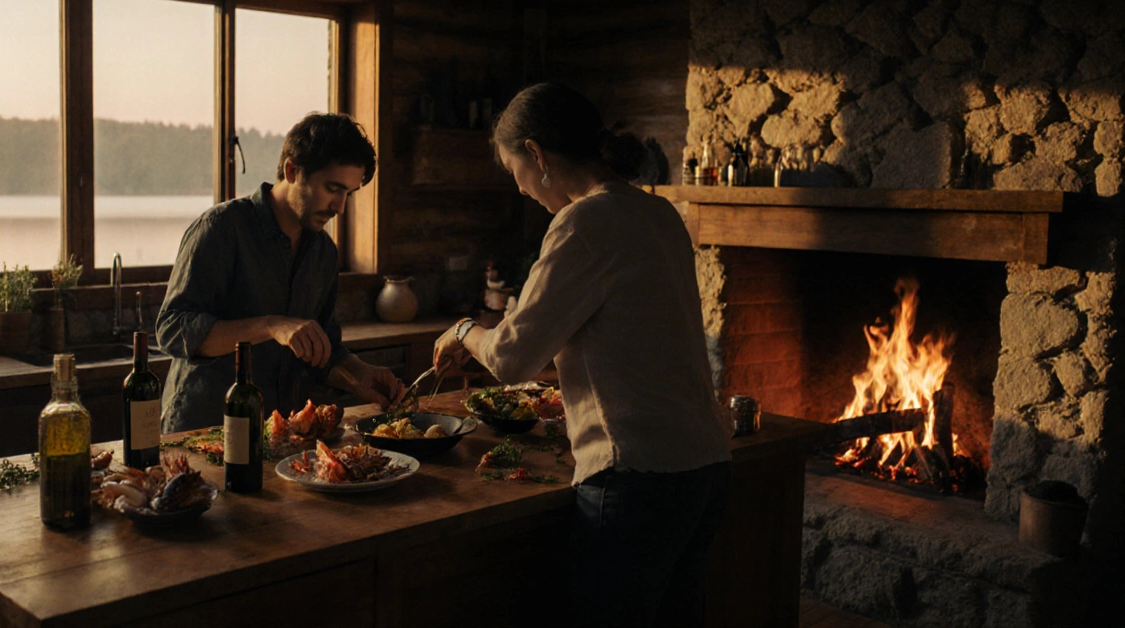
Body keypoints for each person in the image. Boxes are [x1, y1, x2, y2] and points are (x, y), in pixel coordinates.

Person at [433, 83, 733, 628]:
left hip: (636, 473)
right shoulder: (658, 213)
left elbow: (511, 359)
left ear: (537, 154)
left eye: (515, 171)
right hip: (704, 466)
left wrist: (463, 331)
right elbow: (623, 332)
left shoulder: (582, 223)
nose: (520, 188)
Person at [157, 113, 402, 433]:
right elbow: (172, 329)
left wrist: (359, 375)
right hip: (203, 429)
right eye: (332, 188)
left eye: (348, 194)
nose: (340, 207)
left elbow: (322, 346)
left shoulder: (324, 253)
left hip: (276, 433)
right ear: (292, 171)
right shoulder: (222, 228)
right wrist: (271, 325)